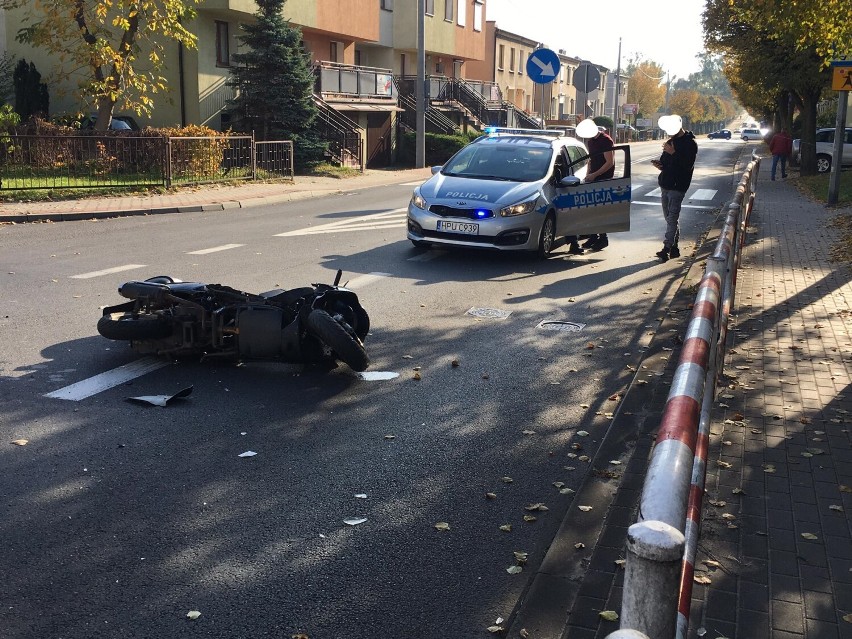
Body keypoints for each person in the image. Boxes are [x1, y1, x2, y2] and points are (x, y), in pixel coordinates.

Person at [651, 114, 697, 262]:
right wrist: (660, 165)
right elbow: (666, 162)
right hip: (665, 184)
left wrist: (673, 153)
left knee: (672, 219)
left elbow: (687, 165)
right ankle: (675, 248)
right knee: (669, 219)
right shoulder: (671, 141)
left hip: (678, 187)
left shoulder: (690, 144)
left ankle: (666, 248)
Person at [576, 119, 615, 251]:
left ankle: (603, 238)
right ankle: (593, 236)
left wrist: (595, 175)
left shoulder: (606, 140)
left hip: (604, 179)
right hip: (593, 178)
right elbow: (591, 160)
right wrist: (588, 175)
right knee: (591, 209)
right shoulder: (591, 141)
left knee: (600, 210)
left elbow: (609, 162)